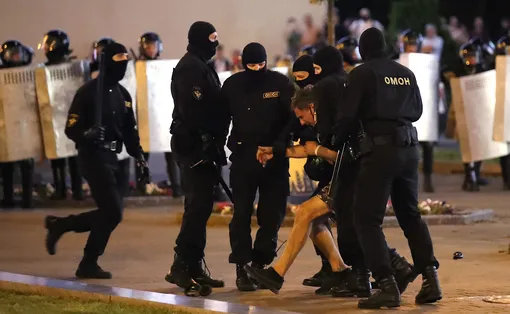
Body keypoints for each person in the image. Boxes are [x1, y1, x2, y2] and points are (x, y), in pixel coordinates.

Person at [333, 28, 441, 309]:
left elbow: (347, 117)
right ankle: (431, 280)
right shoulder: (405, 73)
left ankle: (386, 284)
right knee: (410, 215)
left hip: (380, 151)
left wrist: (333, 139)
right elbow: (417, 111)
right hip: (409, 149)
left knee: (366, 220)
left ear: (362, 50)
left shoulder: (362, 73)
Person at [44, 42, 150, 278]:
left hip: (115, 157)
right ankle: (87, 259)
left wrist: (140, 157)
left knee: (109, 214)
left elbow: (130, 131)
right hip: (93, 156)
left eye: (125, 61)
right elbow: (71, 128)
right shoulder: (88, 91)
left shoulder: (123, 95)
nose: (122, 65)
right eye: (118, 60)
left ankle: (62, 227)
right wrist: (87, 134)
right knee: (113, 212)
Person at [220, 42, 294, 291]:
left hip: (274, 157)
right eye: (251, 65)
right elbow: (221, 120)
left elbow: (292, 118)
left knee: (272, 214)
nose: (256, 69)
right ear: (243, 63)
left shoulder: (280, 83)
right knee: (241, 213)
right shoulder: (232, 85)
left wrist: (277, 146)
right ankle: (242, 266)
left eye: (261, 65)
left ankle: (260, 264)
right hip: (243, 157)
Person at [165, 21, 227, 290]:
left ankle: (193, 265)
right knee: (197, 207)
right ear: (201, 40)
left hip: (203, 145)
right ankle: (181, 266)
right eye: (212, 39)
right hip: (193, 146)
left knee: (201, 208)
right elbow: (193, 111)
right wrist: (203, 145)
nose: (215, 44)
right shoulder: (191, 67)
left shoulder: (201, 65)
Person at [291, 55, 334, 289]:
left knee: (357, 226)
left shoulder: (327, 105)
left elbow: (337, 150)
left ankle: (376, 270)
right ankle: (333, 268)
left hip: (342, 173)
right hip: (328, 170)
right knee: (317, 219)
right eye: (295, 78)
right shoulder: (305, 108)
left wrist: (318, 148)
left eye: (303, 77)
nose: (300, 83)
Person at [444, 39, 509, 191]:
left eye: (473, 56)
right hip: (462, 111)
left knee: (479, 144)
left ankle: (475, 175)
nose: (471, 59)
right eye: (468, 57)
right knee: (467, 144)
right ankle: (469, 176)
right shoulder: (456, 69)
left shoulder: (482, 68)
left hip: (480, 111)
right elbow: (444, 74)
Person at [39, 29, 84, 201]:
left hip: (72, 117)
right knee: (57, 158)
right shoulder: (43, 70)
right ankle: (61, 189)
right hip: (53, 118)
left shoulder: (73, 67)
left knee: (74, 158)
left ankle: (77, 190)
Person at [137, 32, 182, 198]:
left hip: (162, 116)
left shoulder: (164, 68)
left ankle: (176, 186)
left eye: (153, 46)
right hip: (144, 116)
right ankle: (142, 185)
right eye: (148, 46)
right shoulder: (137, 67)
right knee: (142, 153)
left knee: (170, 153)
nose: (151, 50)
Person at [398, 30, 436, 193]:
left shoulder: (426, 62)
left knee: (427, 145)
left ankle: (428, 177)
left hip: (422, 108)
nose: (411, 48)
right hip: (402, 109)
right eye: (409, 45)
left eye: (413, 45)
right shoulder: (397, 60)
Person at [0, 40, 35, 209]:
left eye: (17, 54)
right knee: (6, 167)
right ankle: (8, 198)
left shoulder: (30, 74)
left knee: (26, 166)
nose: (15, 58)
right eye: (11, 54)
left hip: (26, 126)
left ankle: (27, 200)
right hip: (6, 126)